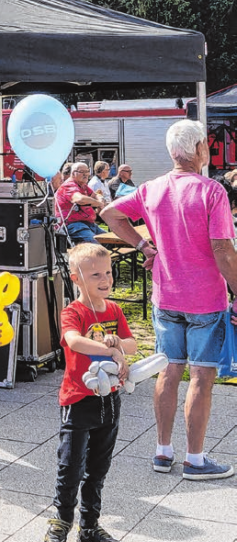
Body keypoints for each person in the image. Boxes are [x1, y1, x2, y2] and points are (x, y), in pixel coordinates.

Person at [101, 119, 237, 480]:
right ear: (198, 150)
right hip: (205, 299)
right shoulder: (212, 191)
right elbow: (223, 250)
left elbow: (109, 214)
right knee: (201, 377)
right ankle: (195, 458)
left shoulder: (151, 188)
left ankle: (163, 452)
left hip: (166, 295)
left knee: (169, 368)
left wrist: (144, 245)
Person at [44, 243, 136, 542]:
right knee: (70, 467)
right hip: (78, 400)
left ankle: (90, 527)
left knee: (98, 469)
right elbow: (74, 341)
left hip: (109, 401)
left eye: (108, 272)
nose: (105, 279)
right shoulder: (73, 312)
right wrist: (109, 350)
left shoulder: (115, 310)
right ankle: (60, 521)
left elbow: (133, 345)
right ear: (76, 278)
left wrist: (118, 344)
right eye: (95, 274)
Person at [56, 162, 105, 245]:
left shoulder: (83, 185)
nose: (86, 174)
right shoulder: (69, 185)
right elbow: (80, 199)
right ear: (73, 173)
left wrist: (100, 199)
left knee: (111, 240)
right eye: (82, 172)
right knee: (96, 246)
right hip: (73, 225)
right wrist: (99, 204)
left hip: (88, 224)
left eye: (87, 171)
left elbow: (95, 195)